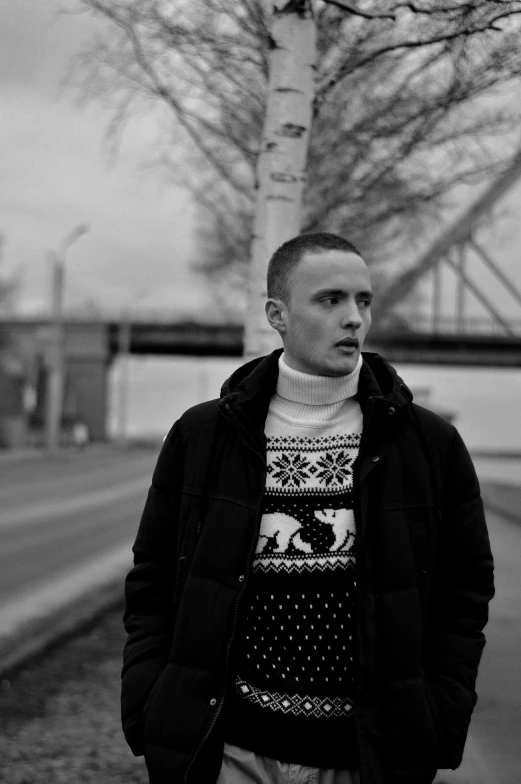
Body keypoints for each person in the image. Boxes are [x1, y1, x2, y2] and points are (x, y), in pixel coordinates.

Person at [121, 232, 495, 784]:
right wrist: (150, 705)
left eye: (363, 301)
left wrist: (439, 717)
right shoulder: (203, 436)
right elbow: (152, 583)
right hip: (229, 752)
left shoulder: (428, 444)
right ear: (277, 313)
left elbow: (463, 594)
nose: (354, 319)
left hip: (365, 759)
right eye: (330, 300)